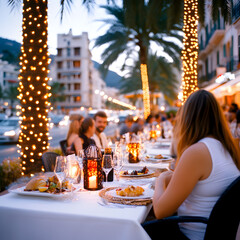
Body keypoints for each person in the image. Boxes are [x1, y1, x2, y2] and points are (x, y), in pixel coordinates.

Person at [152, 90, 240, 240]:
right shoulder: (226, 146)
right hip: (219, 232)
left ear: (187, 118)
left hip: (194, 234)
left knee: (141, 223)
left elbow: (160, 211)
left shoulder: (197, 152)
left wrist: (160, 179)